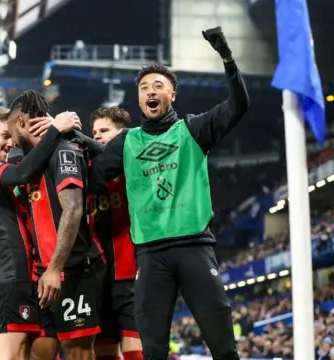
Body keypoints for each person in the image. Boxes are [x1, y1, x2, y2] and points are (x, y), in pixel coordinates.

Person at [89, 27, 250, 360]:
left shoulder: (192, 129)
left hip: (194, 247)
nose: (151, 91)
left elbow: (237, 106)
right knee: (154, 351)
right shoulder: (126, 142)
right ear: (138, 99)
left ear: (172, 94)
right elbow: (90, 178)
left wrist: (228, 60)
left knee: (223, 346)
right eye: (144, 87)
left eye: (158, 86)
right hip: (150, 257)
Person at [0, 104, 81, 360]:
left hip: (20, 272)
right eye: (5, 136)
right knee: (12, 353)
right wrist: (55, 130)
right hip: (6, 272)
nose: (10, 144)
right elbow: (22, 172)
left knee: (23, 352)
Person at [7, 91, 105, 360]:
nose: (10, 141)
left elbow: (73, 209)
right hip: (43, 273)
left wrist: (55, 268)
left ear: (21, 121)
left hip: (73, 270)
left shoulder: (63, 150)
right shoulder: (33, 160)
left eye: (10, 131)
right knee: (41, 353)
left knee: (78, 352)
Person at [86, 107, 143, 360]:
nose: (97, 136)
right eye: (94, 132)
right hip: (97, 276)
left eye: (104, 131)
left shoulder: (136, 166)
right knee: (104, 350)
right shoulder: (86, 172)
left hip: (130, 271)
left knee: (134, 346)